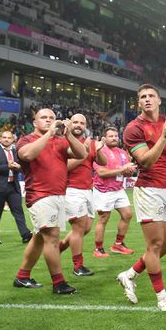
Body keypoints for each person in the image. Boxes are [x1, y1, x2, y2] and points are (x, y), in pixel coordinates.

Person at [117, 85, 166, 312]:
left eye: (151, 96)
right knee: (155, 244)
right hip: (148, 190)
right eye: (143, 97)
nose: (147, 99)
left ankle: (129, 274)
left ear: (159, 100)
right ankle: (162, 298)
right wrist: (164, 137)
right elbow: (146, 161)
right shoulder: (133, 128)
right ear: (138, 103)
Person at [14, 108, 87, 294]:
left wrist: (69, 134)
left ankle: (22, 276)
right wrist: (49, 134)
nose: (48, 120)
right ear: (35, 123)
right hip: (39, 194)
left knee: (40, 238)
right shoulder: (26, 140)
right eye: (44, 118)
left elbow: (82, 154)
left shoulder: (61, 140)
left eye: (52, 118)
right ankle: (58, 283)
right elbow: (27, 155)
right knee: (52, 236)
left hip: (58, 194)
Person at [59, 114, 107, 277]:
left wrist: (98, 150)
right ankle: (78, 266)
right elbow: (64, 167)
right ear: (69, 124)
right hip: (71, 189)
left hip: (87, 190)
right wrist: (84, 152)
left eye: (82, 123)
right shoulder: (63, 142)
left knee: (85, 228)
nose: (78, 125)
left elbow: (103, 163)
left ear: (85, 126)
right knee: (78, 228)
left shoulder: (90, 142)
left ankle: (59, 248)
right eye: (75, 122)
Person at [92, 127, 136, 257]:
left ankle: (118, 244)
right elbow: (101, 172)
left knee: (127, 214)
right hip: (104, 190)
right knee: (103, 218)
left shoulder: (122, 152)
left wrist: (129, 171)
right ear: (104, 138)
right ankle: (98, 249)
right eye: (111, 136)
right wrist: (122, 169)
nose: (114, 138)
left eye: (116, 136)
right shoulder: (99, 152)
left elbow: (126, 171)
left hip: (118, 189)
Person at [0, 130, 32, 245]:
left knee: (18, 211)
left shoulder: (16, 152)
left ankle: (25, 234)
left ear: (13, 140)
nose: (6, 139)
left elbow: (24, 168)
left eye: (9, 138)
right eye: (4, 137)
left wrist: (19, 167)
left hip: (13, 186)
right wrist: (7, 166)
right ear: (0, 139)